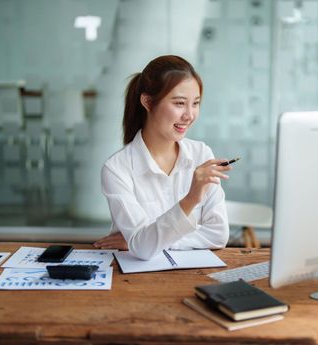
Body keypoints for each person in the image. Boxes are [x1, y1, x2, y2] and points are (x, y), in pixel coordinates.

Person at [93, 55, 231, 260]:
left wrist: (146, 240)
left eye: (195, 103)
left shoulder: (202, 154)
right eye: (179, 103)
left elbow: (219, 235)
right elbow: (142, 249)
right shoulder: (117, 168)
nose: (189, 115)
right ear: (148, 102)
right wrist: (192, 198)